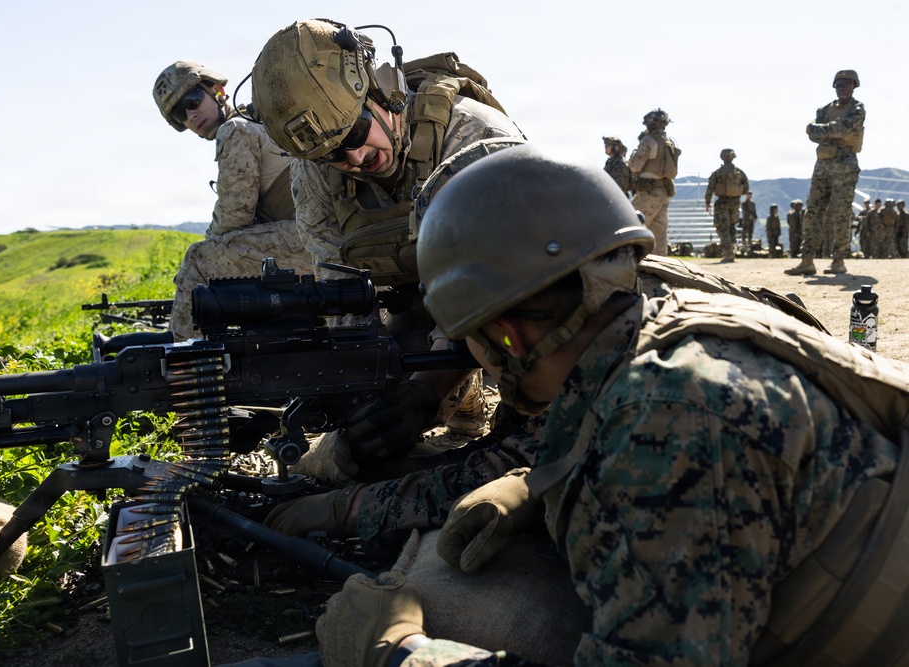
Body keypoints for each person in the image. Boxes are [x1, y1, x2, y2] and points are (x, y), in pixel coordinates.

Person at [312, 144, 909, 667]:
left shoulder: (668, 418)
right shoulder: (669, 337)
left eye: (463, 333)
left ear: (507, 336)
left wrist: (397, 652)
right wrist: (534, 486)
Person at [249, 19, 527, 470]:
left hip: (510, 306)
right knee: (366, 431)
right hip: (419, 309)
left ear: (383, 92)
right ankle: (458, 392)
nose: (356, 159)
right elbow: (338, 283)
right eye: (335, 154)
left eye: (357, 135)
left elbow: (511, 286)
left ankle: (462, 385)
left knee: (527, 441)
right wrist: (352, 379)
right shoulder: (316, 175)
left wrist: (427, 388)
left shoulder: (476, 137)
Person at [153, 60, 314, 340]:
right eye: (180, 114)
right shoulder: (258, 121)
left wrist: (211, 245)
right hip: (320, 238)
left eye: (192, 100)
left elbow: (233, 216)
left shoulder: (236, 129)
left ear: (217, 90)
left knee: (199, 259)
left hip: (313, 239)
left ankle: (178, 362)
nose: (190, 115)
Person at [785, 70, 866, 276]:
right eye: (838, 85)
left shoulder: (857, 109)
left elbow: (841, 129)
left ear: (854, 86)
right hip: (822, 164)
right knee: (812, 212)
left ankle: (838, 261)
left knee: (841, 213)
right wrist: (827, 131)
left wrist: (823, 131)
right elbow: (812, 132)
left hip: (845, 166)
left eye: (846, 84)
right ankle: (807, 260)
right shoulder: (824, 109)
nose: (842, 88)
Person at [628, 109, 680, 255]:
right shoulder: (669, 142)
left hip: (649, 191)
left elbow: (634, 166)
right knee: (659, 232)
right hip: (664, 191)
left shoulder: (648, 141)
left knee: (632, 223)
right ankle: (661, 265)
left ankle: (630, 261)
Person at [704, 148, 749, 263]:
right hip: (735, 203)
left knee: (722, 227)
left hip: (722, 203)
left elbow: (710, 188)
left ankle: (728, 253)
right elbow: (746, 188)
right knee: (732, 227)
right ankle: (732, 251)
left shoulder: (718, 173)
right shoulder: (739, 172)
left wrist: (707, 202)